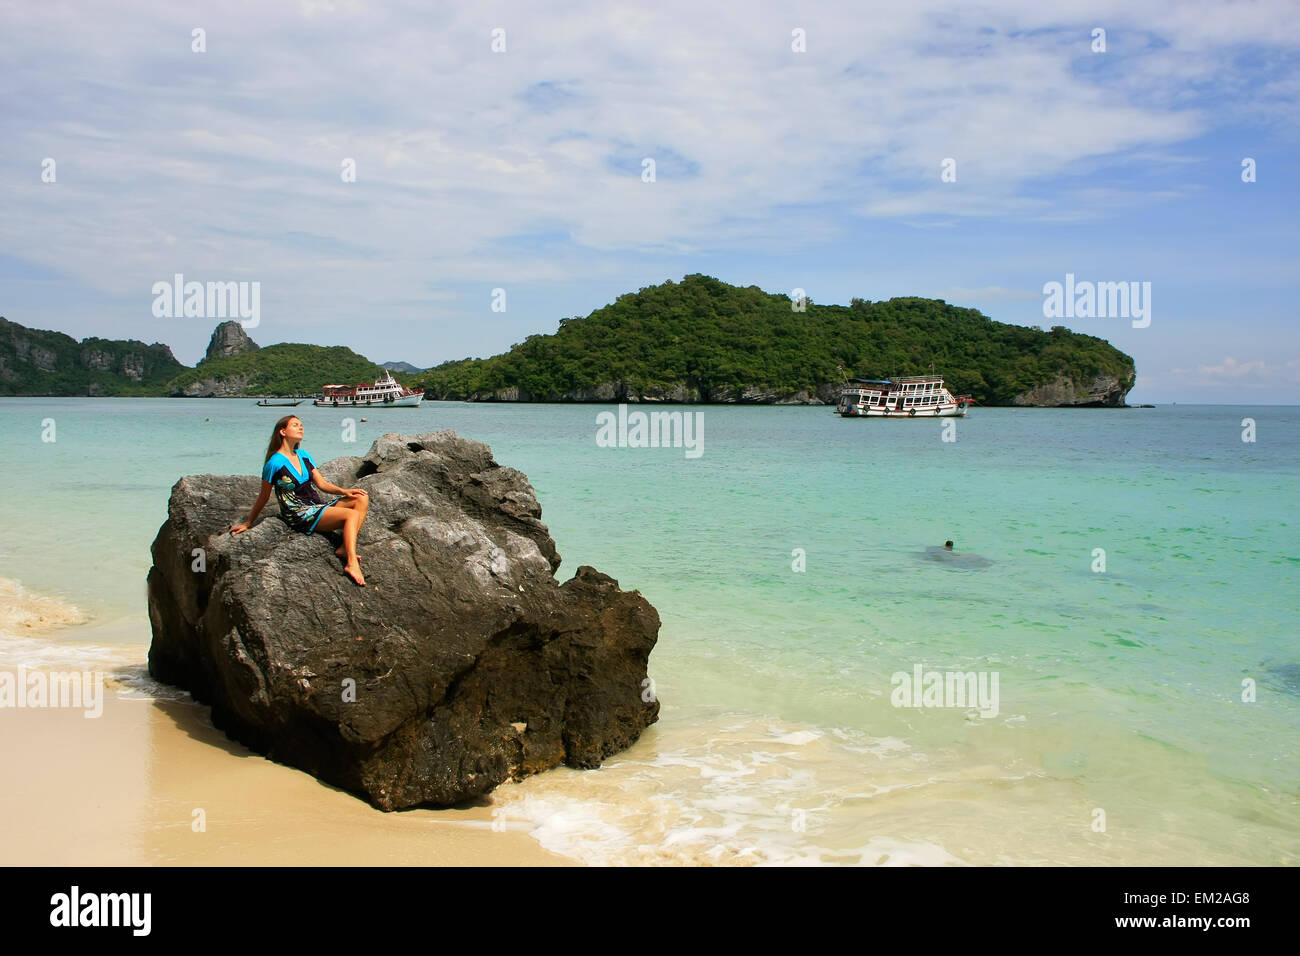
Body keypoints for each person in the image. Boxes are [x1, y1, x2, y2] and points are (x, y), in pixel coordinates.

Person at [230, 415, 370, 586]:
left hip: (315, 507)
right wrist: (248, 522)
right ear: (283, 431)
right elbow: (264, 497)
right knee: (350, 515)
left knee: (361, 498)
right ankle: (351, 563)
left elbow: (322, 484)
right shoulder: (273, 464)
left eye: (301, 425)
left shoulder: (304, 456)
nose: (301, 427)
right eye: (295, 425)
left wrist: (345, 491)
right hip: (298, 513)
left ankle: (343, 548)